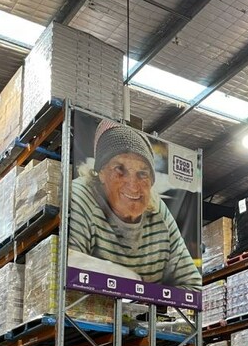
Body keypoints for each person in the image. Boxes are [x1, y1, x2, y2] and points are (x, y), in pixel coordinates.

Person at [69, 119, 202, 290]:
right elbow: (70, 267)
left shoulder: (158, 211)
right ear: (101, 173)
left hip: (145, 314)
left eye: (142, 173)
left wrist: (150, 303)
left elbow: (194, 287)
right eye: (120, 169)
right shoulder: (81, 195)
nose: (133, 185)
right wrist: (129, 280)